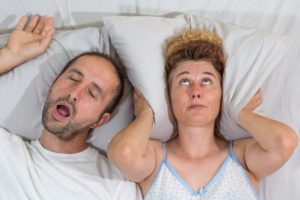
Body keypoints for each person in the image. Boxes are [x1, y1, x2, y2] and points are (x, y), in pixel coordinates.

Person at [108, 30, 298, 199]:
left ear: (221, 93)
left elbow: (284, 142)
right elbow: (124, 154)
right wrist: (146, 113)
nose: (196, 91)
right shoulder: (155, 158)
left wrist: (241, 112)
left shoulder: (242, 157)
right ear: (169, 95)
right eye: (184, 81)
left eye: (206, 81)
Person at [0, 16, 142, 199]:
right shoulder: (7, 152)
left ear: (100, 120)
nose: (74, 93)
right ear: (52, 85)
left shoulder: (116, 184)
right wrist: (9, 55)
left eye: (92, 93)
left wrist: (146, 113)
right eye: (73, 78)